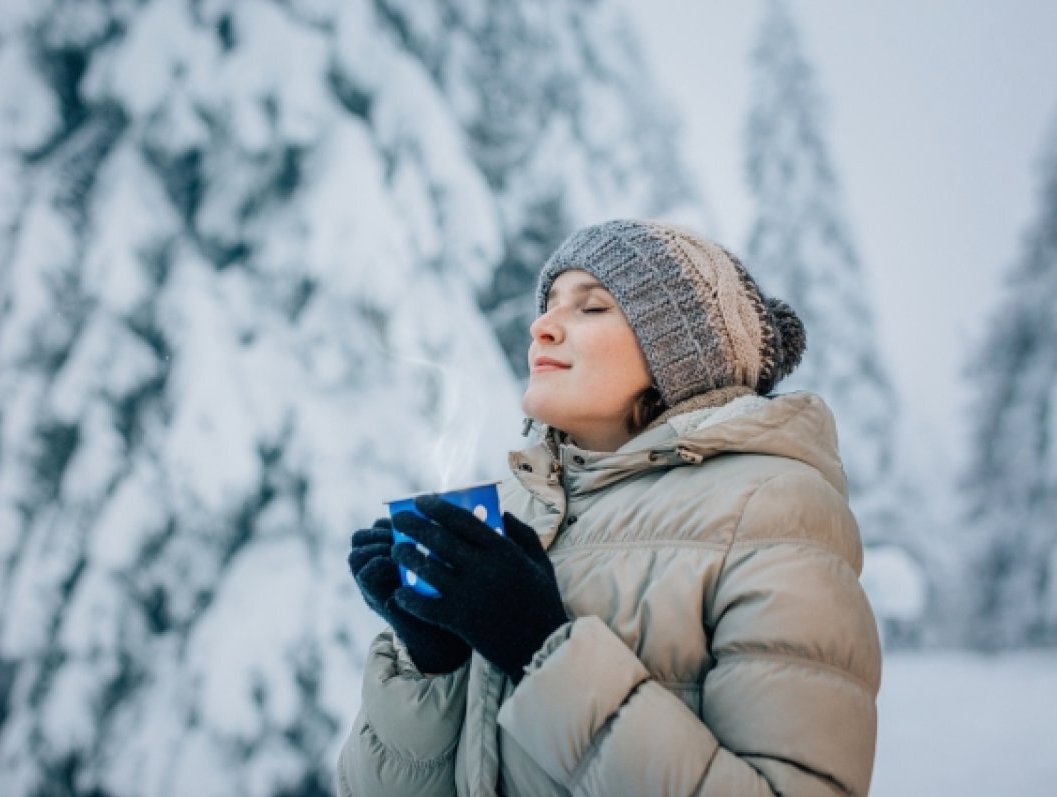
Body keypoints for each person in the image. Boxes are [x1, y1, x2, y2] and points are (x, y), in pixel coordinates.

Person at [338, 220, 881, 796]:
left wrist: (542, 650)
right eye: (549, 304)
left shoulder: (771, 509)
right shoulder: (519, 510)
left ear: (681, 353)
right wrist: (432, 664)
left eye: (592, 307)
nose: (542, 326)